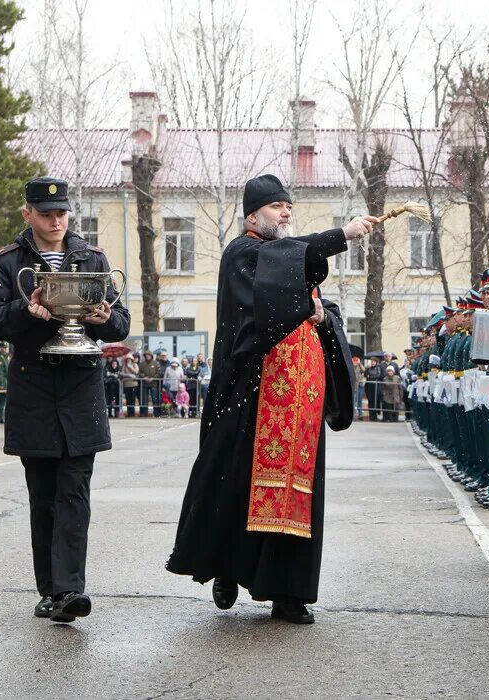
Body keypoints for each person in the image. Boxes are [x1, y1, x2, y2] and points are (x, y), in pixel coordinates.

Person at [166, 173, 369, 624]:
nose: (286, 213)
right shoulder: (243, 254)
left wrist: (321, 313)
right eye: (277, 207)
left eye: (289, 207)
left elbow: (316, 305)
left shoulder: (285, 262)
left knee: (298, 493)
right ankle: (227, 567)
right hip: (252, 398)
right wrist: (342, 235)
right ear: (253, 215)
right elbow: (271, 300)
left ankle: (288, 593)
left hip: (300, 403)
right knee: (238, 487)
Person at [0, 175, 131, 624]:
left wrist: (103, 317)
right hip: (35, 389)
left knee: (75, 493)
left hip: (81, 388)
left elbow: (120, 323)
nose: (56, 221)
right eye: (46, 214)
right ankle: (50, 588)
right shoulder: (7, 262)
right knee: (43, 494)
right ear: (27, 213)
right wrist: (28, 310)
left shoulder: (92, 257)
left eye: (62, 213)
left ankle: (69, 590)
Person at [138, 350, 159, 417]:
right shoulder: (142, 364)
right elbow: (139, 372)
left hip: (153, 384)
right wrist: (144, 377)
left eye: (148, 355)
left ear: (151, 356)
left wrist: (153, 378)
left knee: (154, 399)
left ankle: (156, 413)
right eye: (146, 355)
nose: (147, 356)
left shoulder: (155, 363)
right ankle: (145, 414)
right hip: (144, 384)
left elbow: (158, 373)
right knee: (145, 400)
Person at [0, 342, 9, 424]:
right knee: (1, 401)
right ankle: (0, 417)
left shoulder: (6, 357)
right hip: (2, 382)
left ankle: (2, 416)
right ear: (1, 348)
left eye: (6, 348)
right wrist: (1, 384)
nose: (5, 349)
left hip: (7, 381)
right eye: (4, 348)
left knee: (5, 401)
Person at [352, 356, 366, 420]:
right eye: (354, 361)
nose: (355, 363)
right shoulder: (351, 367)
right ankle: (353, 414)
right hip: (353, 385)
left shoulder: (359, 366)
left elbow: (363, 370)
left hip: (359, 385)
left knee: (359, 400)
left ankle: (360, 414)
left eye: (356, 361)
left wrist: (359, 363)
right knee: (354, 400)